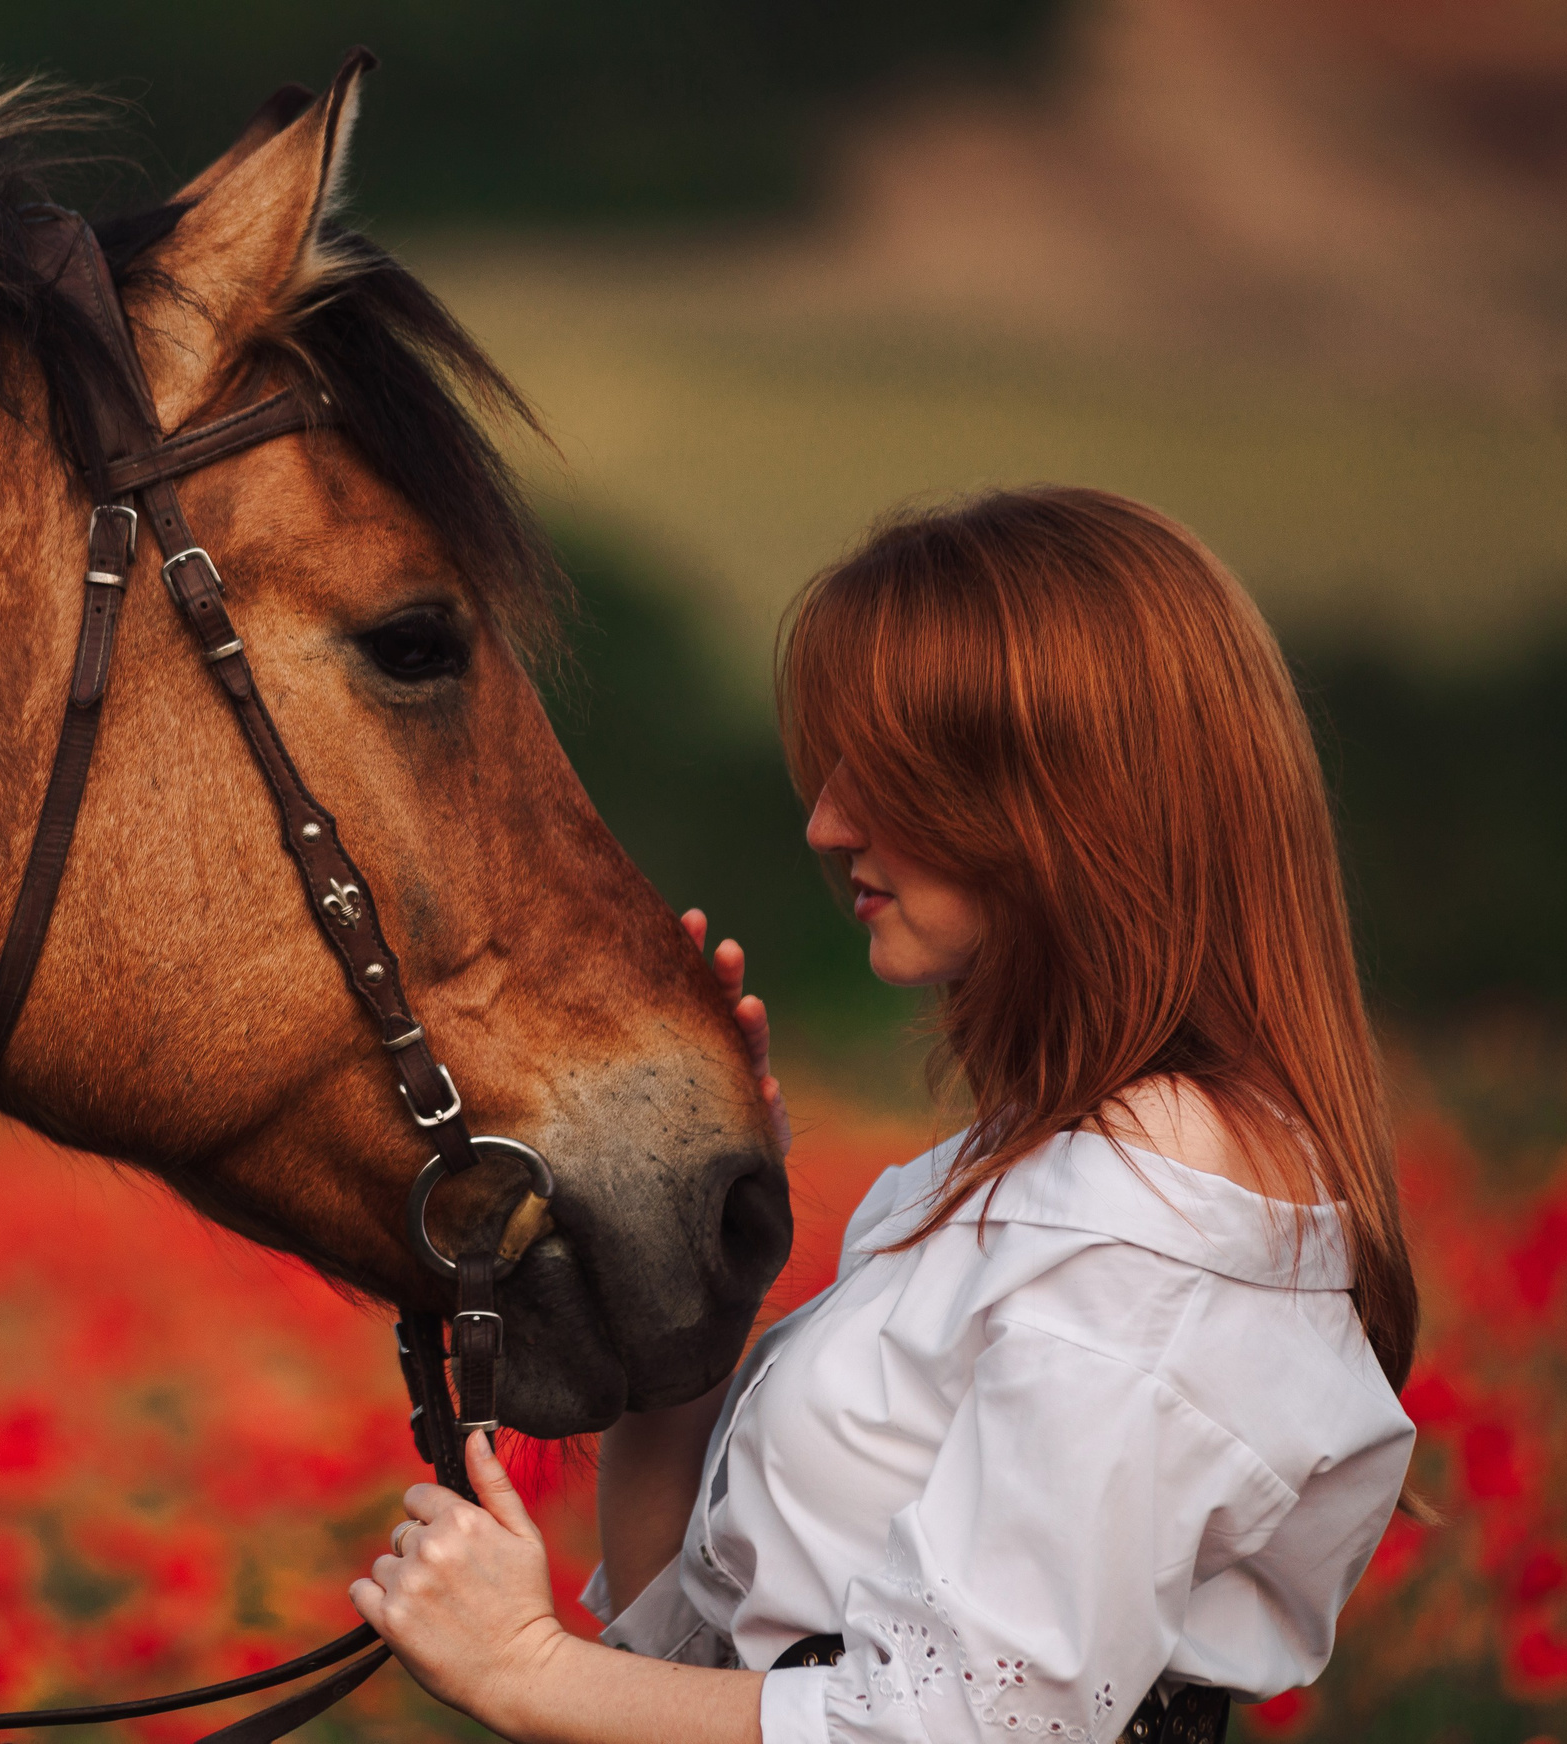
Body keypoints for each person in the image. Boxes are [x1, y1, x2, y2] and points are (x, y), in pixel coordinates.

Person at [349, 487, 1419, 1744]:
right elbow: (693, 1652)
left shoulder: (1147, 1211)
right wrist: (690, 1242)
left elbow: (978, 1724)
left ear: (1062, 796)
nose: (826, 823)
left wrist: (526, 1669)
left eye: (888, 775)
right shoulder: (1034, 1176)